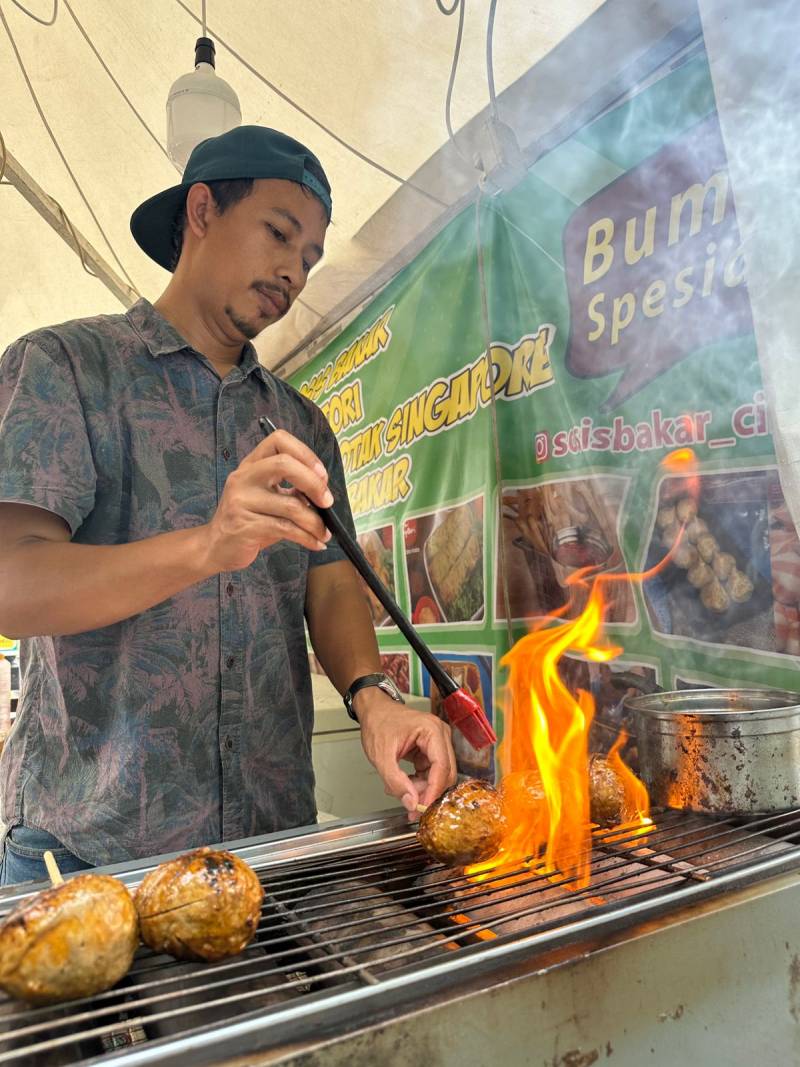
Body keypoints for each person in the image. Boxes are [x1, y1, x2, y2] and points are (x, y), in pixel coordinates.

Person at [0, 125, 456, 885]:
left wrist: (372, 696)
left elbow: (330, 578)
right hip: (89, 858)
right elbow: (12, 587)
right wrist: (209, 544)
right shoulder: (64, 368)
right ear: (203, 210)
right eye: (279, 233)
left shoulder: (300, 421)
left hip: (268, 847)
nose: (294, 272)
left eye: (310, 258)